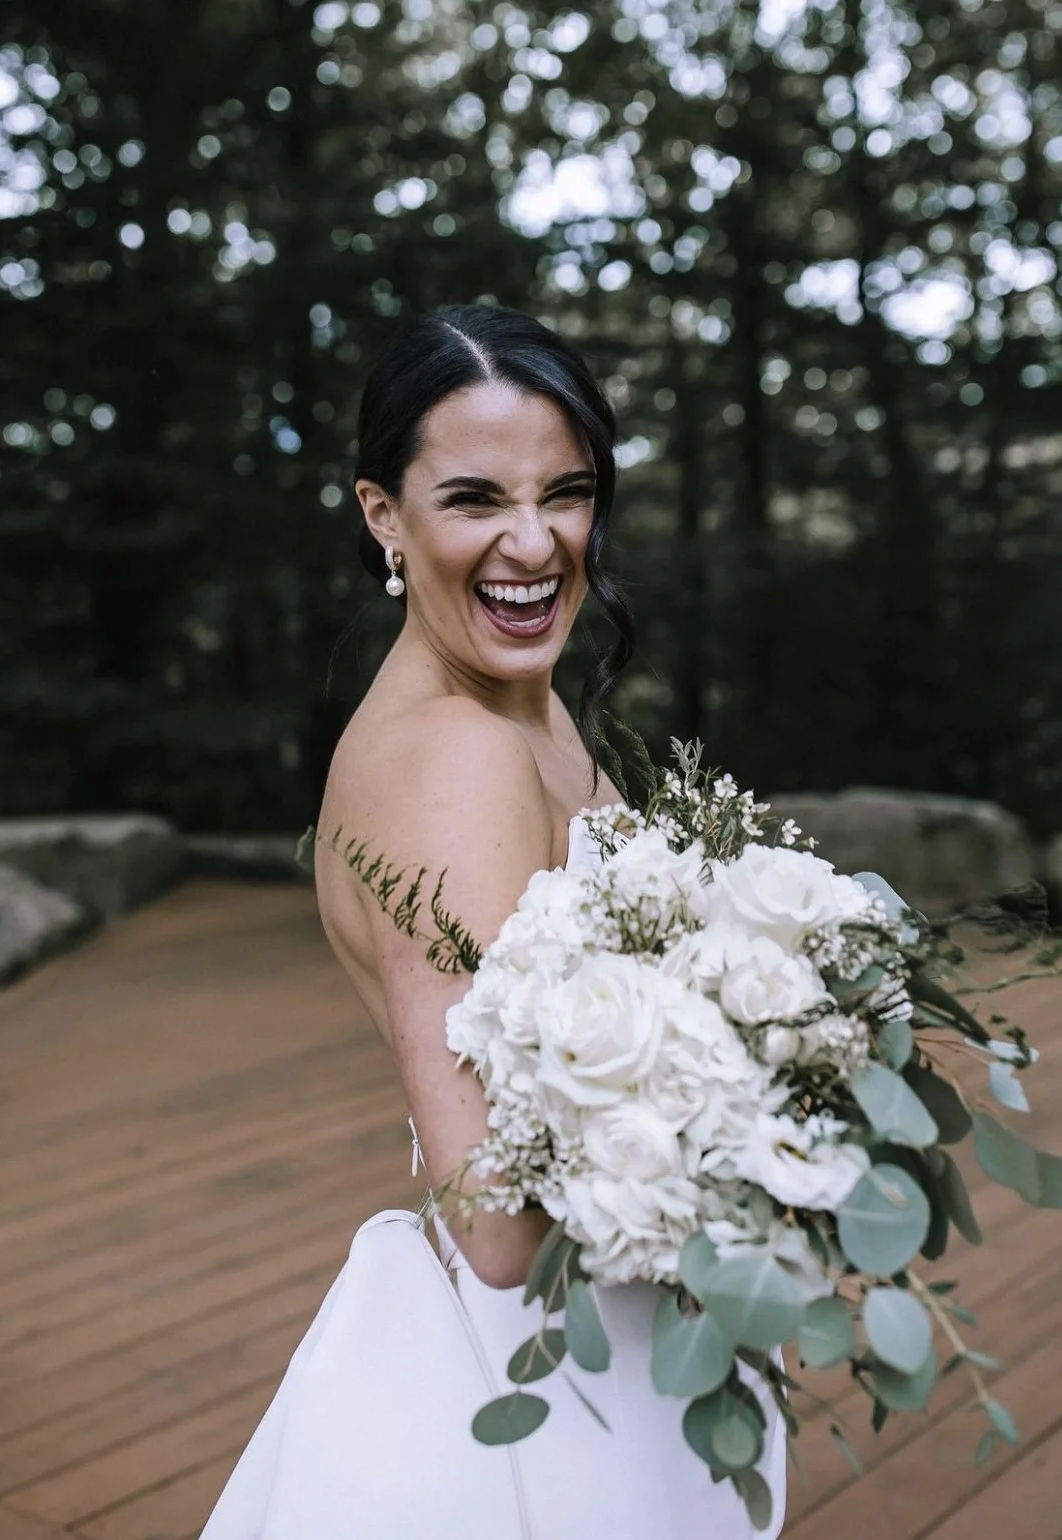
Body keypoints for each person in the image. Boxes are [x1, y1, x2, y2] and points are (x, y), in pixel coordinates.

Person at [199, 305, 787, 1539]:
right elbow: (503, 1224)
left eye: (566, 493)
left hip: (621, 1322)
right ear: (382, 517)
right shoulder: (454, 756)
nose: (537, 542)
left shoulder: (524, 702)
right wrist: (756, 1130)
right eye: (475, 498)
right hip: (549, 1382)